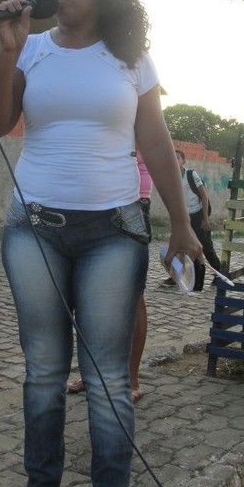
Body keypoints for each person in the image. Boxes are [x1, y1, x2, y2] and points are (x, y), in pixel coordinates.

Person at [0, 0, 201, 487]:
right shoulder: (33, 50)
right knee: (44, 369)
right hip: (34, 227)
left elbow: (155, 144)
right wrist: (7, 51)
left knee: (106, 380)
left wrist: (181, 224)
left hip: (112, 231)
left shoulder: (131, 58)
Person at [67, 151, 151, 402]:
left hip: (127, 199)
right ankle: (91, 373)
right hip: (80, 198)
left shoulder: (139, 109)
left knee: (132, 295)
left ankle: (131, 377)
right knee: (85, 293)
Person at [163, 149, 223, 286]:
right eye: (172, 157)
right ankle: (176, 276)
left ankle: (219, 273)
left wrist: (205, 219)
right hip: (183, 216)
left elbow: (204, 195)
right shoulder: (171, 177)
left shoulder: (191, 174)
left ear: (183, 161)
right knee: (180, 247)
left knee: (206, 246)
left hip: (198, 214)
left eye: (177, 157)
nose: (174, 160)